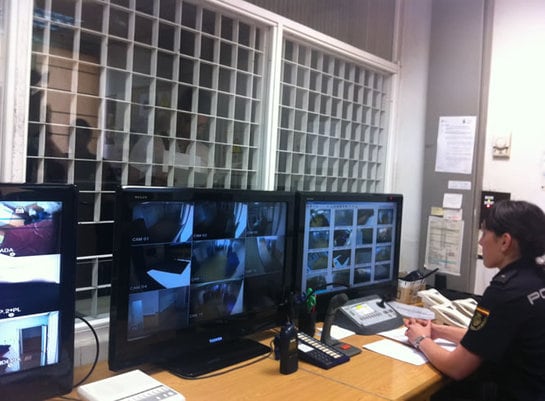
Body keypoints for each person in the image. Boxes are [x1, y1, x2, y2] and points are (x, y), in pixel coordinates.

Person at [404, 200, 545, 401]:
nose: (480, 242)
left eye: (485, 233)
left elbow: (457, 368)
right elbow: (486, 339)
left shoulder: (504, 293)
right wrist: (436, 330)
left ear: (505, 241)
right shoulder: (535, 278)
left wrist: (419, 339)